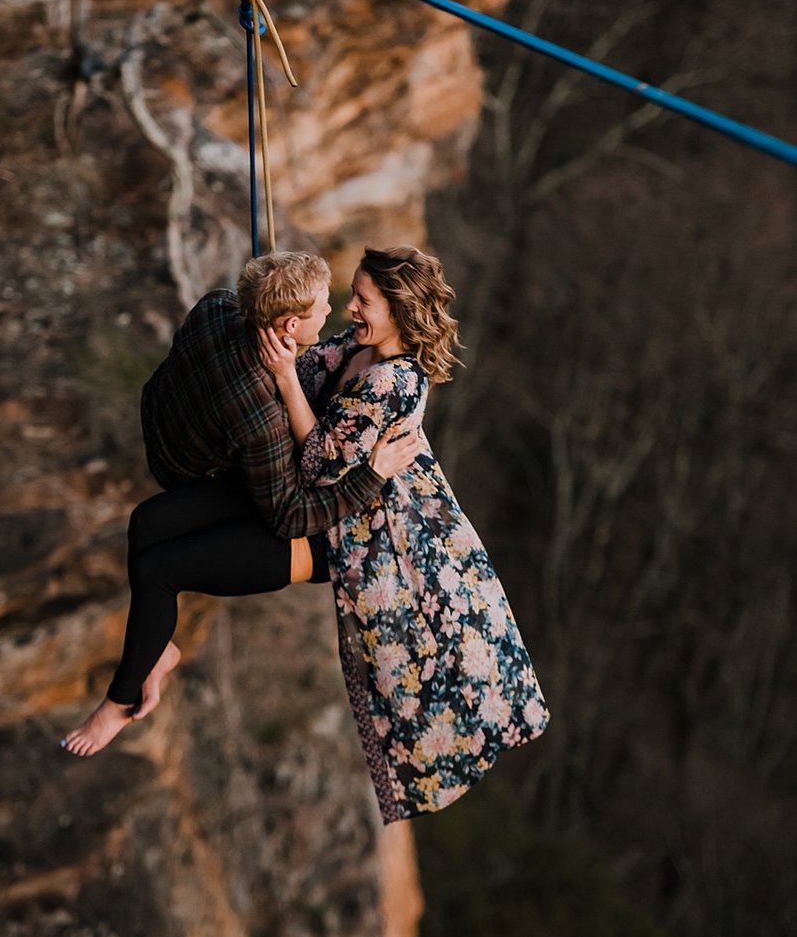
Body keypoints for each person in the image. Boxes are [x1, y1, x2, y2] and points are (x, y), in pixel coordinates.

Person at [62, 250, 419, 757]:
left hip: (317, 533)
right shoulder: (270, 374)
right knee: (146, 523)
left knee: (160, 569)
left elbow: (290, 516)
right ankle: (156, 647)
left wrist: (372, 475)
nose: (339, 310)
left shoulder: (219, 307)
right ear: (288, 324)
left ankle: (120, 701)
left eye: (358, 300)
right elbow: (289, 486)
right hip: (287, 491)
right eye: (328, 303)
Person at [258, 245, 549, 823]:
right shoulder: (359, 347)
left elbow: (319, 459)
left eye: (363, 300)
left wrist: (286, 377)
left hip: (382, 532)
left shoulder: (394, 382)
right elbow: (315, 368)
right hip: (363, 506)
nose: (350, 307)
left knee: (419, 654)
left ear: (396, 307)